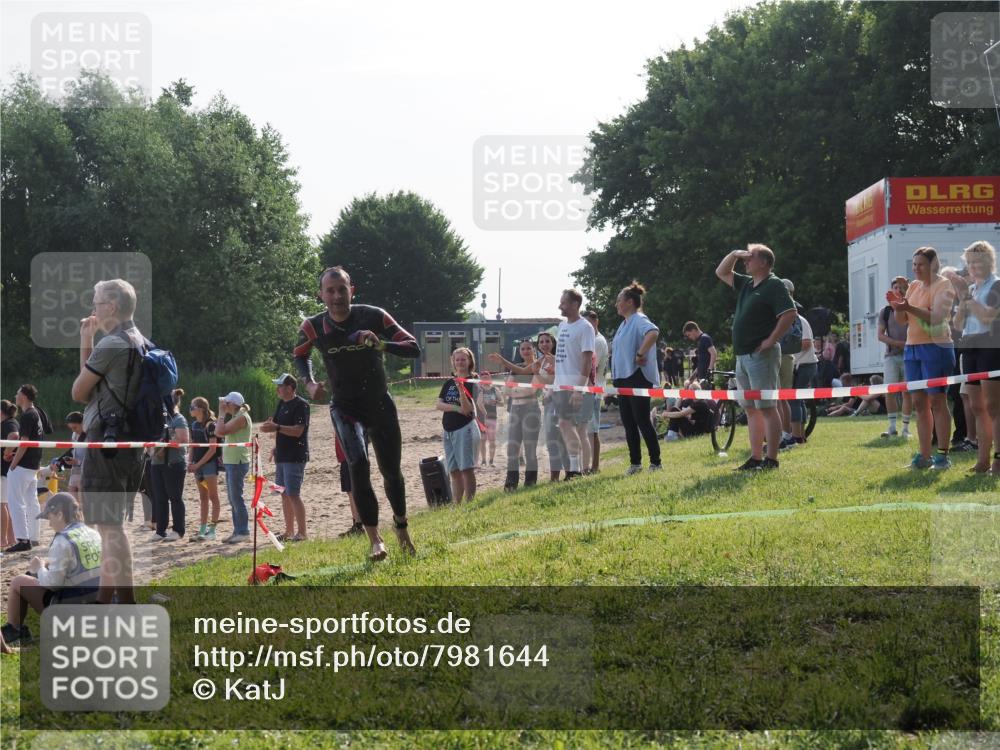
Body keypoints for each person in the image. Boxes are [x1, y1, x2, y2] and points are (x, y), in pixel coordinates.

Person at [293, 266, 419, 560]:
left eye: (342, 289)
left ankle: (401, 528)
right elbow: (300, 355)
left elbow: (413, 347)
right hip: (345, 407)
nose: (337, 296)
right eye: (330, 290)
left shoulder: (374, 315)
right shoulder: (312, 326)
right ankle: (375, 540)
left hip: (379, 404)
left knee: (391, 473)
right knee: (358, 465)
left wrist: (381, 343)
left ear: (353, 290)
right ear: (321, 295)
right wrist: (310, 384)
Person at [70, 279, 148, 604]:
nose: (94, 307)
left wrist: (85, 340)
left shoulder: (112, 345)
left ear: (112, 308)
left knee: (110, 527)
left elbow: (79, 392)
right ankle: (106, 600)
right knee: (109, 526)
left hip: (107, 445)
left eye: (97, 301)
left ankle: (126, 603)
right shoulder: (142, 341)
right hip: (131, 444)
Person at [715, 245, 797, 471]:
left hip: (762, 355)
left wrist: (771, 340)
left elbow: (790, 314)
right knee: (751, 409)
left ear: (764, 262)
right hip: (743, 356)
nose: (746, 261)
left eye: (751, 258)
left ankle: (772, 459)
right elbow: (721, 272)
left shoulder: (774, 284)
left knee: (768, 407)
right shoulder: (747, 284)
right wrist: (733, 254)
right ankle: (756, 457)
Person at [887, 246, 956, 470]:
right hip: (912, 348)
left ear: (932, 265)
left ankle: (943, 455)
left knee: (937, 401)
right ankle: (924, 456)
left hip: (936, 347)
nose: (916, 268)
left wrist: (909, 307)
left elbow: (937, 318)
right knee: (919, 403)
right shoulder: (914, 286)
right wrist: (897, 306)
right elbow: (902, 320)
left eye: (921, 264)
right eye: (914, 264)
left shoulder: (944, 285)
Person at [1, 493, 102, 645]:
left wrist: (40, 567)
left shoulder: (62, 540)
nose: (49, 524)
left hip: (74, 612)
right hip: (98, 606)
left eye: (50, 518)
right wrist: (49, 563)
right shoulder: (93, 534)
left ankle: (15, 632)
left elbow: (53, 584)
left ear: (60, 514)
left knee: (18, 582)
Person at [949, 240, 1000, 474]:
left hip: (990, 347)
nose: (972, 267)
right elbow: (957, 324)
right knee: (976, 407)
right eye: (969, 262)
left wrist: (967, 300)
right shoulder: (970, 290)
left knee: (993, 407)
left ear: (988, 262)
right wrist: (962, 299)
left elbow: (989, 317)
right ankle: (982, 460)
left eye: (976, 262)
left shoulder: (996, 285)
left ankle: (997, 460)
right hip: (969, 346)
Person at [610, 281, 662, 475]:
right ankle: (635, 463)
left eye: (619, 301)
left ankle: (656, 462)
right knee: (629, 422)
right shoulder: (623, 324)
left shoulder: (639, 319)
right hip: (622, 379)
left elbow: (653, 332)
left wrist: (641, 354)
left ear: (630, 302)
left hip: (637, 377)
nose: (616, 304)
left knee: (642, 420)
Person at [260, 373, 310, 541]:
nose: (277, 389)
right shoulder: (281, 403)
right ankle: (288, 531)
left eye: (280, 386)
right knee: (282, 493)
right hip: (281, 456)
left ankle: (302, 533)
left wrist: (277, 427)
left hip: (295, 456)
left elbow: (298, 431)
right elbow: (277, 427)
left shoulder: (301, 405)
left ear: (289, 388)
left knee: (294, 494)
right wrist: (275, 444)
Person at [4, 385, 53, 553]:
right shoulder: (37, 413)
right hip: (33, 464)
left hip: (24, 465)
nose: (16, 395)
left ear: (23, 396)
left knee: (16, 502)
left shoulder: (27, 415)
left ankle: (23, 540)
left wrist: (13, 463)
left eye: (17, 393)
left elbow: (24, 441)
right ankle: (33, 537)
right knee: (32, 502)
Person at [553, 289, 596, 479]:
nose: (560, 306)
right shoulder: (562, 326)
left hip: (574, 387)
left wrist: (579, 390)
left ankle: (576, 470)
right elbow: (562, 358)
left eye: (563, 302)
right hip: (560, 386)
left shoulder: (585, 327)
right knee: (565, 426)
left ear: (575, 304)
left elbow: (587, 361)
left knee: (569, 425)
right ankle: (574, 470)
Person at [488, 340, 542, 490]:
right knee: (513, 449)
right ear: (519, 352)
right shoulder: (516, 369)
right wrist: (517, 391)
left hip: (531, 409)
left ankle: (530, 483)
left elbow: (531, 390)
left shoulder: (537, 366)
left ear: (533, 350)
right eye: (523, 349)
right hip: (515, 411)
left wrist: (515, 391)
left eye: (528, 348)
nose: (525, 351)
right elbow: (507, 390)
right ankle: (511, 485)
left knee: (530, 448)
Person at [436, 348, 482, 503]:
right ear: (453, 362)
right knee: (454, 471)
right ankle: (457, 503)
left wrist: (461, 391)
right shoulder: (449, 382)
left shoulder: (473, 381)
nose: (460, 362)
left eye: (463, 359)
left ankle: (469, 503)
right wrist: (456, 408)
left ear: (470, 361)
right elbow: (439, 404)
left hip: (465, 429)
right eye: (457, 360)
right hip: (448, 430)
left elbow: (468, 410)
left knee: (466, 469)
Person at [149, 388, 188, 541]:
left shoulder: (178, 419)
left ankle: (178, 530)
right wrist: (154, 451)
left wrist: (165, 446)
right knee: (159, 498)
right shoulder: (159, 420)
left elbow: (183, 440)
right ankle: (160, 530)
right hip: (156, 463)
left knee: (175, 497)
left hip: (173, 463)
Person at [878, 276, 914, 439]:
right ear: (891, 290)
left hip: (909, 355)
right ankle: (892, 426)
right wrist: (898, 343)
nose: (898, 290)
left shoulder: (911, 308)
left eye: (901, 287)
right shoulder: (885, 311)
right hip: (891, 356)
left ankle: (906, 428)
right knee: (890, 391)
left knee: (907, 392)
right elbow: (880, 335)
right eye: (895, 287)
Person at [215, 392, 252, 543]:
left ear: (233, 404)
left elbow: (219, 431)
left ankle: (243, 531)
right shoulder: (237, 416)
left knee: (236, 497)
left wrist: (221, 413)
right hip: (232, 461)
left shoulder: (241, 417)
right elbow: (220, 431)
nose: (224, 405)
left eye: (226, 403)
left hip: (237, 461)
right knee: (232, 498)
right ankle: (238, 531)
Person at [187, 396, 221, 541]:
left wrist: (197, 465)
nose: (190, 409)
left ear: (200, 409)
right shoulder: (194, 425)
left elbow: (212, 450)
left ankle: (212, 530)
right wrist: (190, 462)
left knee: (213, 497)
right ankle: (202, 528)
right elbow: (192, 444)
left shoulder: (211, 425)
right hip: (197, 465)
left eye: (192, 407)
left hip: (209, 465)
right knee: (203, 497)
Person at [535, 331, 565, 481]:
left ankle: (558, 474)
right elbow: (542, 383)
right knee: (553, 439)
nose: (544, 344)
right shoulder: (542, 361)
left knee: (555, 438)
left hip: (557, 401)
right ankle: (560, 473)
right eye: (541, 342)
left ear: (553, 343)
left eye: (547, 341)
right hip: (547, 402)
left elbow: (555, 382)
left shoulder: (556, 360)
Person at [583, 310, 609, 473]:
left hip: (592, 389)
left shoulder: (597, 341)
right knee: (587, 430)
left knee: (592, 430)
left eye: (588, 323)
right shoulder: (590, 340)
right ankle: (590, 465)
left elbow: (593, 367)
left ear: (596, 322)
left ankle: (595, 466)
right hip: (588, 388)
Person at [788, 306, 818, 446]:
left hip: (806, 365)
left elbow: (806, 343)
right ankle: (800, 435)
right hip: (801, 365)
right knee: (798, 400)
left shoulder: (801, 321)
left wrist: (786, 348)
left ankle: (796, 436)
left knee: (794, 399)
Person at [1, 400, 20, 549]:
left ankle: (3, 540)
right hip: (5, 470)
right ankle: (11, 538)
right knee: (6, 504)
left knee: (2, 505)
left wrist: (7, 452)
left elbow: (14, 436)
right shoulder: (7, 423)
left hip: (3, 470)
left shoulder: (9, 423)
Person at [682, 322, 717, 386]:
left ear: (693, 330)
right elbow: (701, 362)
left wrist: (710, 370)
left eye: (689, 335)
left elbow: (713, 353)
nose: (689, 337)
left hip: (706, 377)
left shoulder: (705, 338)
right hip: (701, 377)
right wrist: (691, 378)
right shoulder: (699, 341)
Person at [477, 372, 499, 468]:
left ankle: (491, 460)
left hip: (493, 417)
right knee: (482, 440)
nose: (485, 379)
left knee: (492, 440)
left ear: (490, 378)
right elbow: (479, 403)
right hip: (482, 419)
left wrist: (496, 401)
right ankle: (483, 460)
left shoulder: (495, 389)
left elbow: (502, 402)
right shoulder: (479, 389)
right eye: (483, 377)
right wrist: (485, 413)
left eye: (487, 377)